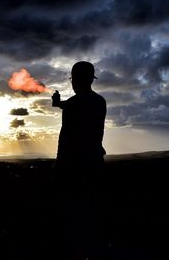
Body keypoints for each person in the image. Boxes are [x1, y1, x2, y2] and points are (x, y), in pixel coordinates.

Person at [51, 61, 107, 260]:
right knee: (91, 211)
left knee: (73, 214)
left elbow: (66, 138)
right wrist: (59, 105)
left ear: (76, 79)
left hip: (73, 167)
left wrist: (59, 165)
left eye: (74, 79)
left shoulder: (74, 105)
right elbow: (78, 104)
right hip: (95, 162)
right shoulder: (100, 102)